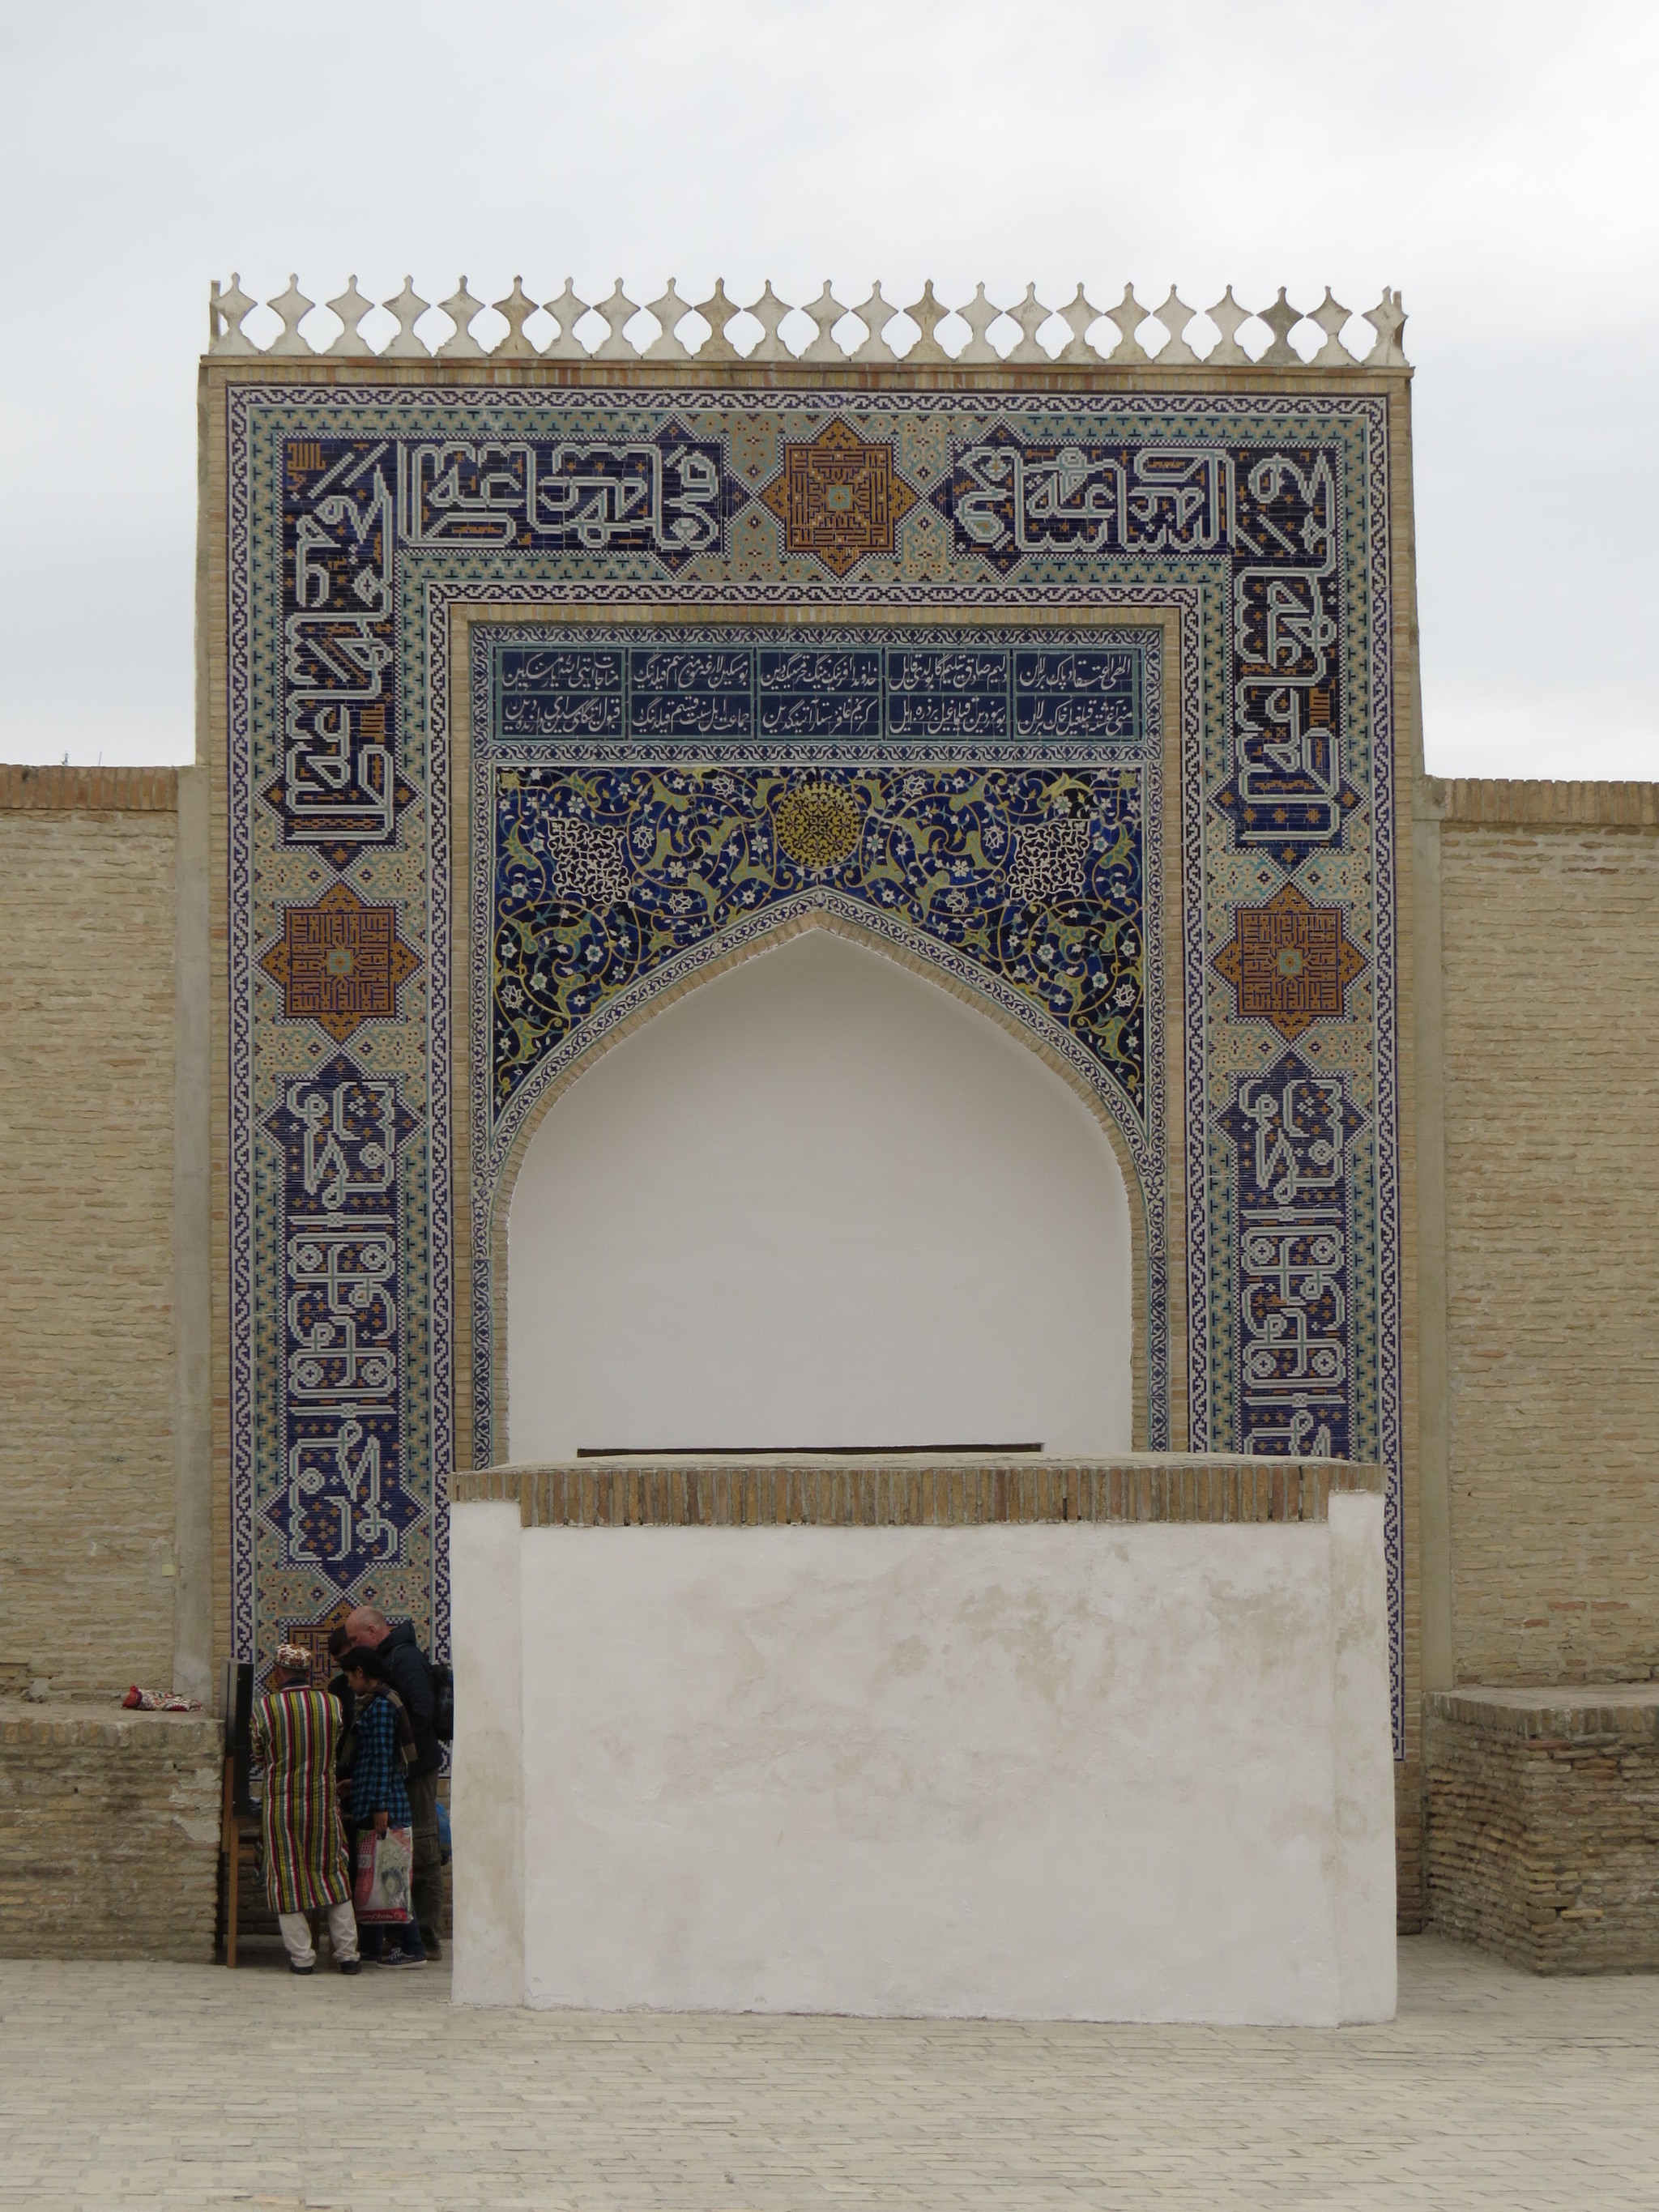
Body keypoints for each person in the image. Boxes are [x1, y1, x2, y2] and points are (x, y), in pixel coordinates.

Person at [249, 1643, 360, 1977]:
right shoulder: (333, 1705)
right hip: (324, 1806)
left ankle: (302, 1959)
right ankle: (348, 1956)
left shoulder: (264, 1709)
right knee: (334, 1876)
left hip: (281, 1808)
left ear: (280, 1673)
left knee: (286, 1877)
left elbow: (259, 1756)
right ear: (307, 1672)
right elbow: (336, 1748)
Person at [345, 1606, 443, 1958]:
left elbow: (420, 1711)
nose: (354, 1646)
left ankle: (426, 1939)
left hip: (413, 1773)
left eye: (356, 1639)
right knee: (398, 1854)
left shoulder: (405, 1660)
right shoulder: (388, 1662)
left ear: (373, 1631)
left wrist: (398, 1765)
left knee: (423, 1851)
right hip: (400, 1775)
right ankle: (398, 1937)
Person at [340, 1645, 424, 1967]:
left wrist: (379, 1808)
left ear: (361, 1673)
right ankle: (371, 1949)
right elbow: (375, 1762)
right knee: (376, 1878)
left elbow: (381, 1762)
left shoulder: (378, 1710)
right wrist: (354, 1784)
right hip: (382, 1801)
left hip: (385, 1808)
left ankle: (414, 1948)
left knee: (391, 1879)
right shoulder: (382, 1704)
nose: (348, 1683)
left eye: (349, 1675)